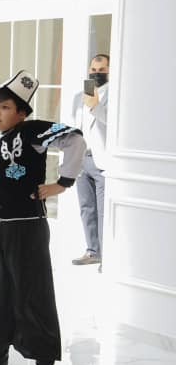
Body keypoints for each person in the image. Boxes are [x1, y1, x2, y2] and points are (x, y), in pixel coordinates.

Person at [0, 70, 86, 365]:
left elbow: (75, 140)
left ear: (21, 113)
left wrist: (62, 183)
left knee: (33, 297)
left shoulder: (32, 132)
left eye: (4, 107)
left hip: (27, 228)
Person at [71, 54, 109, 267]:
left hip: (102, 160)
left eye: (102, 70)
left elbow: (112, 122)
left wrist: (95, 105)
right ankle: (93, 251)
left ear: (109, 71)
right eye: (93, 69)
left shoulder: (114, 94)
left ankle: (107, 256)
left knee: (103, 211)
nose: (96, 73)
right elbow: (75, 127)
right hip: (82, 159)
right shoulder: (80, 96)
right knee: (86, 207)